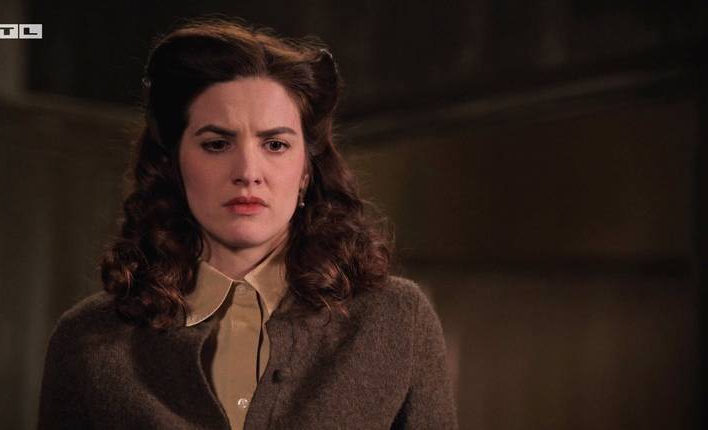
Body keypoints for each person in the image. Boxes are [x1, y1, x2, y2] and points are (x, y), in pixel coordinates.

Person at [37, 17, 457, 430]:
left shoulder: (396, 318)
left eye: (275, 144)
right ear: (173, 164)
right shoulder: (88, 340)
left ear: (306, 171)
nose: (248, 172)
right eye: (217, 144)